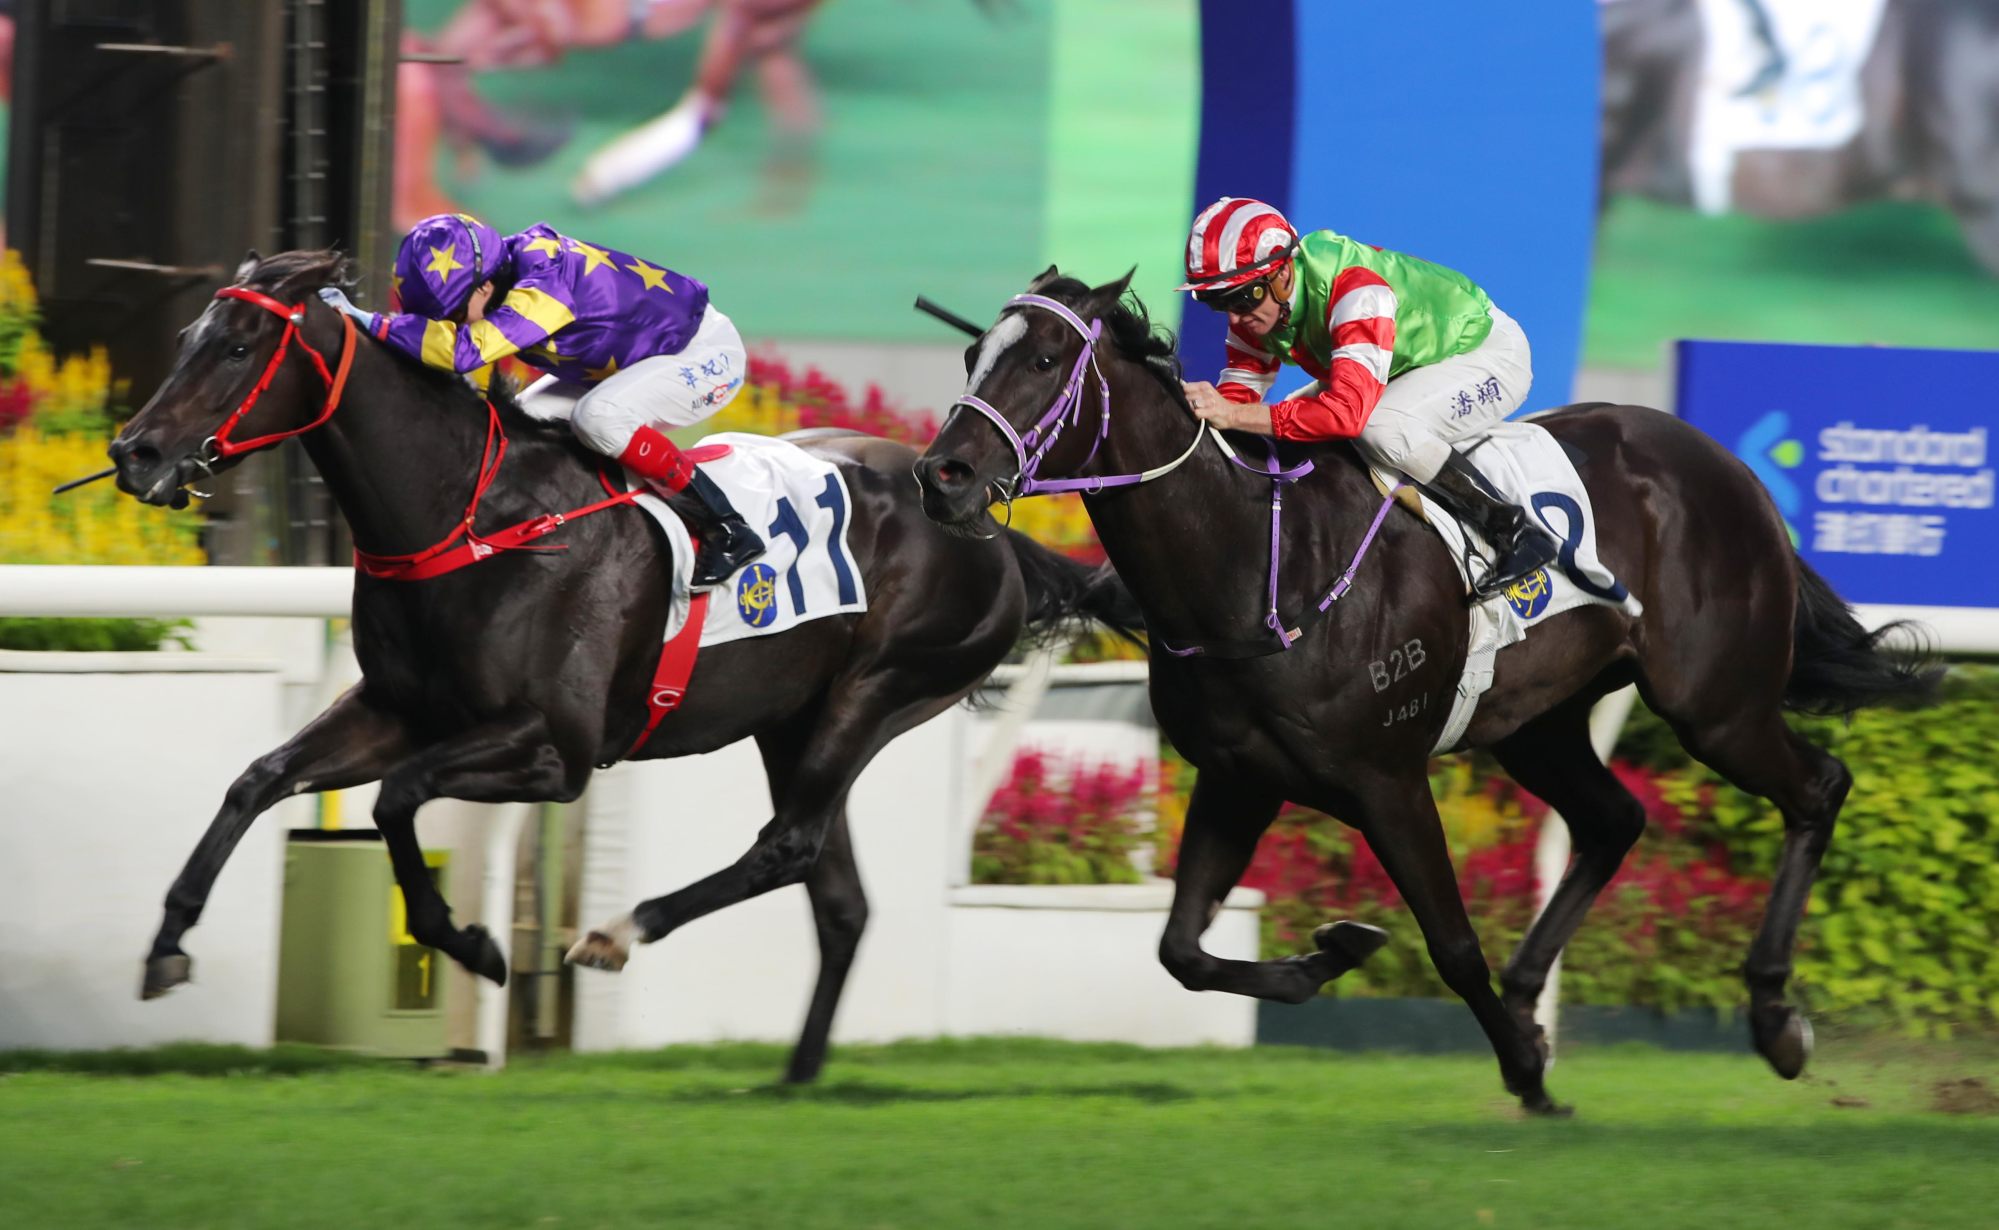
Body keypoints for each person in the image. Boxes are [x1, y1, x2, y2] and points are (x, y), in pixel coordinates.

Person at [319, 212, 765, 588]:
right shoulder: (497, 275)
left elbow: (462, 353)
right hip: (628, 362)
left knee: (598, 419)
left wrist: (367, 322)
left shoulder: (545, 287)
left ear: (483, 288)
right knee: (515, 428)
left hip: (701, 356)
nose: (446, 324)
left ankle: (726, 526)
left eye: (449, 315)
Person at [1177, 197, 1557, 600]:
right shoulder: (1260, 304)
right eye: (1219, 303)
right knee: (1287, 424)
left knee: (1380, 428)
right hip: (1400, 363)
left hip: (1486, 353)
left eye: (1242, 299)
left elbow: (1345, 415)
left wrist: (1235, 415)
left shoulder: (1356, 290)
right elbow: (1238, 399)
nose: (1235, 318)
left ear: (1283, 273)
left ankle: (1513, 529)